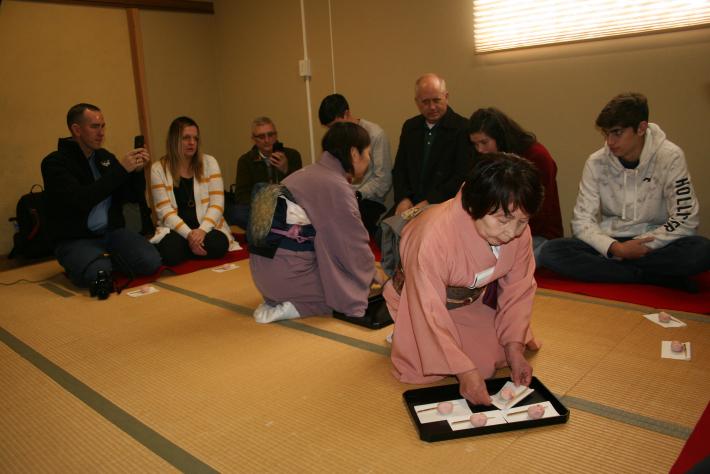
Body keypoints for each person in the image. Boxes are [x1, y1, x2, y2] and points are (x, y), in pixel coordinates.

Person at [383, 153, 544, 405]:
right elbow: (428, 308)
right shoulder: (433, 237)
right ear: (473, 206)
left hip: (470, 302)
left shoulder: (516, 229)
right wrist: (464, 372)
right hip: (421, 304)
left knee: (500, 355)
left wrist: (515, 349)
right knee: (436, 370)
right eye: (503, 220)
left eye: (522, 222)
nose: (512, 233)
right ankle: (403, 327)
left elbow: (519, 288)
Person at [539, 92, 710, 292]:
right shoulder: (596, 162)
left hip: (654, 242)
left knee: (701, 250)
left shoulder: (670, 156)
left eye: (617, 133)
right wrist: (616, 248)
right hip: (612, 242)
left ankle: (620, 273)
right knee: (552, 251)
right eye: (606, 133)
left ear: (641, 128)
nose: (609, 141)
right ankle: (652, 277)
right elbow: (582, 221)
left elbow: (685, 217)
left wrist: (643, 246)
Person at [249, 122, 377, 323]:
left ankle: (279, 299)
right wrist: (372, 272)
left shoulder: (307, 173)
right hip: (287, 275)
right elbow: (351, 244)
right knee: (342, 293)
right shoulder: (334, 185)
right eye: (368, 153)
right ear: (354, 153)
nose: (369, 159)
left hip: (262, 274)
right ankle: (296, 306)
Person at [41, 103, 161, 290]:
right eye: (95, 127)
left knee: (151, 261)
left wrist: (136, 172)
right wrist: (121, 170)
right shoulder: (55, 163)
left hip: (111, 232)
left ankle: (104, 257)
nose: (101, 132)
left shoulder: (105, 157)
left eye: (103, 126)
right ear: (76, 129)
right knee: (100, 275)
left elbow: (130, 196)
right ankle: (92, 260)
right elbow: (82, 199)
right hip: (75, 238)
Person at [468, 107, 563, 263]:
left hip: (535, 234)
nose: (480, 149)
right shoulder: (486, 159)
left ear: (500, 137)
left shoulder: (536, 156)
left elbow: (539, 213)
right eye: (475, 144)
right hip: (494, 230)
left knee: (494, 261)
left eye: (484, 142)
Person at [150, 116, 240, 266]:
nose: (192, 143)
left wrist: (202, 231)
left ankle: (192, 249)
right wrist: (189, 235)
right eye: (186, 138)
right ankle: (195, 248)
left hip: (205, 228)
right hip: (177, 230)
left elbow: (217, 204)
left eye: (195, 138)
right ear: (174, 140)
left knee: (219, 244)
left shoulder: (209, 162)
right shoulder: (158, 169)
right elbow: (164, 211)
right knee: (171, 251)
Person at [391, 73, 471, 216]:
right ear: (417, 101)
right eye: (425, 102)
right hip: (411, 203)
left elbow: (462, 176)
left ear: (446, 97)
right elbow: (399, 169)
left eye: (436, 100)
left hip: (446, 204)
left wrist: (430, 201)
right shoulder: (410, 127)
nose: (432, 107)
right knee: (383, 232)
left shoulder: (462, 128)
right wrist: (403, 198)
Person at [318, 93, 393, 235]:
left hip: (368, 200)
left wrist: (357, 194)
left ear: (346, 114)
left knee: (342, 225)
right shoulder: (334, 139)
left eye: (334, 125)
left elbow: (383, 181)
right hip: (342, 194)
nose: (333, 132)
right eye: (329, 128)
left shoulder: (375, 135)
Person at [225, 117, 302, 229]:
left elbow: (299, 191)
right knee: (236, 212)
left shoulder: (292, 155)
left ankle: (271, 229)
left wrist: (286, 170)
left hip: (286, 206)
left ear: (276, 135)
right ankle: (276, 228)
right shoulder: (246, 160)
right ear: (254, 139)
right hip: (259, 209)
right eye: (261, 137)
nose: (267, 140)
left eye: (270, 135)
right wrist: (264, 205)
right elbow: (241, 196)